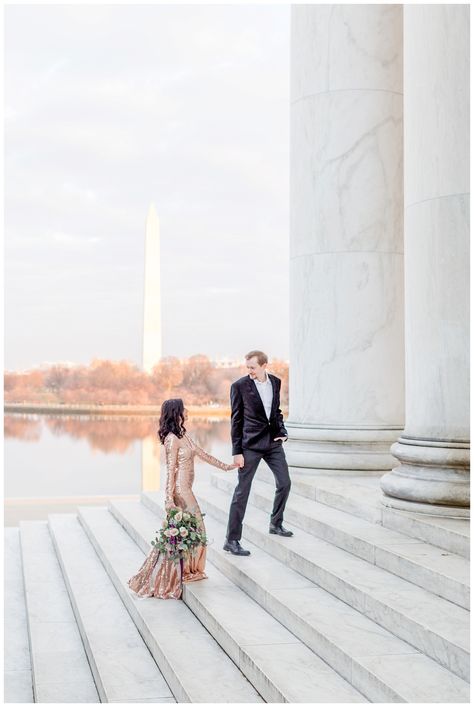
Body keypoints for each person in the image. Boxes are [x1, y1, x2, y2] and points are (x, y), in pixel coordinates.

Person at [128, 398, 237, 599]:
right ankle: (178, 572)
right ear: (176, 412)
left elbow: (203, 454)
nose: (187, 409)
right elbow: (170, 471)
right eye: (183, 407)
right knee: (195, 528)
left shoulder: (183, 434)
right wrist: (168, 499)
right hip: (180, 491)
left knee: (193, 529)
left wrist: (227, 466)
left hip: (187, 488)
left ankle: (189, 569)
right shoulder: (171, 439)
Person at [224, 350, 293, 556]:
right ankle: (232, 540)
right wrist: (237, 451)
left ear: (264, 365)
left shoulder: (276, 382)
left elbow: (276, 412)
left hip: (273, 444)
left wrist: (282, 431)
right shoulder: (239, 386)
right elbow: (236, 420)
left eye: (252, 367)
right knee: (242, 492)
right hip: (250, 446)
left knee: (285, 483)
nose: (250, 371)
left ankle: (275, 523)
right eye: (248, 367)